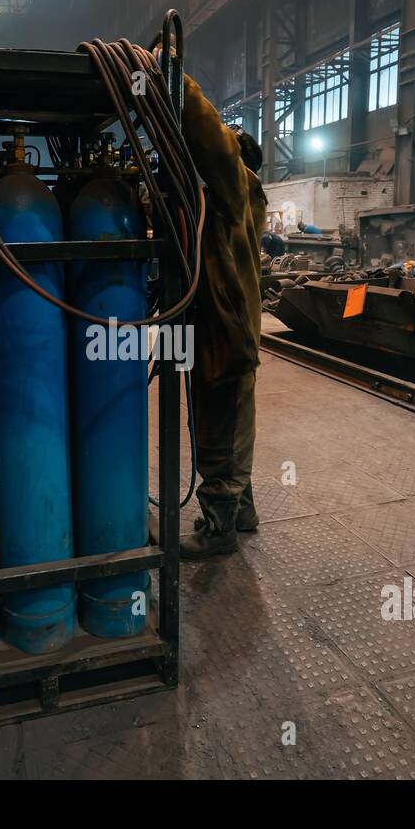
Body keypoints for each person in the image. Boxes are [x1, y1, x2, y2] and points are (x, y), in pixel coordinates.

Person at [160, 51, 265, 561]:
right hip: (229, 322)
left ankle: (219, 525)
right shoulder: (233, 204)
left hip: (223, 326)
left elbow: (215, 147)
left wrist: (179, 81)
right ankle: (242, 509)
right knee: (235, 412)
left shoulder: (236, 185)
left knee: (218, 419)